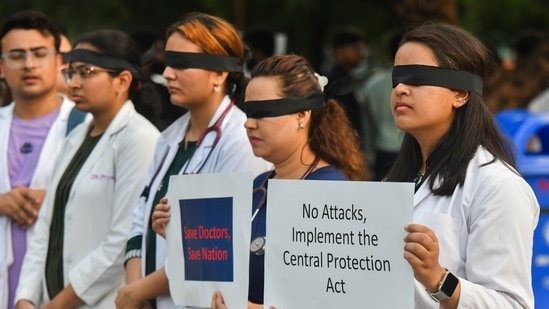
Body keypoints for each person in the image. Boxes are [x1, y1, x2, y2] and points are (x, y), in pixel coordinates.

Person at [152, 54, 368, 308]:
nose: (248, 123)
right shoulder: (256, 188)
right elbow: (222, 275)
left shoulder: (333, 196)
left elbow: (333, 300)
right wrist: (182, 237)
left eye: (263, 112)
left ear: (302, 115)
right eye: (248, 111)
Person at [116, 12, 271, 309]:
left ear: (219, 73)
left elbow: (217, 248)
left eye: (182, 64)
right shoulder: (169, 138)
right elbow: (139, 219)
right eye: (169, 62)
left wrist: (138, 292)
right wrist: (136, 289)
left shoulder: (240, 143)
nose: (169, 73)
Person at [385, 23, 539, 308]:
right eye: (396, 79)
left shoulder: (496, 187)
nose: (401, 89)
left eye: (417, 77)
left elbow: (512, 304)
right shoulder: (396, 182)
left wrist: (439, 280)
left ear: (461, 93)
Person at [14, 29, 160, 308]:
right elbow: (45, 228)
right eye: (71, 73)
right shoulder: (74, 138)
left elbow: (122, 241)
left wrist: (57, 305)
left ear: (123, 80)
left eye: (86, 72)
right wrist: (25, 298)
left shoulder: (139, 139)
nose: (74, 84)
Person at [0, 10, 84, 309]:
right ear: (1, 66)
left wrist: (55, 200)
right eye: (16, 55)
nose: (29, 64)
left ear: (59, 62)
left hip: (63, 293)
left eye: (39, 53)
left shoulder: (87, 127)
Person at [359, 33, 403, 180]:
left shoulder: (372, 85)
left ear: (388, 53)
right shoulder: (420, 84)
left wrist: (367, 157)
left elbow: (366, 129)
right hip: (411, 149)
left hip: (382, 153)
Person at [323, 26, 368, 137]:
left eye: (362, 48)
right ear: (339, 51)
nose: (360, 53)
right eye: (355, 48)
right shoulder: (332, 81)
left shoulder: (347, 78)